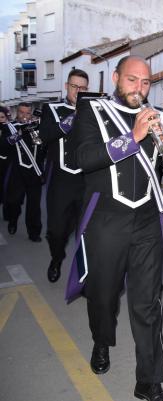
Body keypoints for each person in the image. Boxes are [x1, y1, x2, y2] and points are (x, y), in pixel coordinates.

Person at [67, 55, 163, 401]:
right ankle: (102, 341)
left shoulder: (157, 117)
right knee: (102, 297)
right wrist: (133, 137)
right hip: (106, 220)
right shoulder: (93, 111)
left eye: (146, 82)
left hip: (147, 221)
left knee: (147, 303)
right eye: (132, 80)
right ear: (116, 78)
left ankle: (149, 381)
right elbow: (80, 159)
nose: (139, 88)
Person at [39, 68, 89, 283]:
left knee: (88, 233)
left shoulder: (93, 111)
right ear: (67, 86)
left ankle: (85, 275)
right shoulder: (51, 108)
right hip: (61, 182)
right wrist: (73, 117)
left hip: (87, 181)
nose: (78, 91)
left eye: (83, 88)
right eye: (74, 86)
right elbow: (46, 135)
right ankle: (56, 258)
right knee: (57, 231)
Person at [2, 102, 45, 241]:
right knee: (14, 201)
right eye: (21, 112)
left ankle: (34, 233)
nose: (24, 116)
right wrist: (20, 133)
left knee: (34, 205)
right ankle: (13, 219)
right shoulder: (9, 127)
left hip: (35, 172)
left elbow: (44, 148)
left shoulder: (38, 127)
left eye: (27, 113)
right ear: (17, 113)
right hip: (17, 172)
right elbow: (3, 146)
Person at [0, 106, 10, 218]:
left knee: (7, 188)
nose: (0, 120)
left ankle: (7, 212)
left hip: (7, 165)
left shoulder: (11, 129)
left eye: (2, 117)